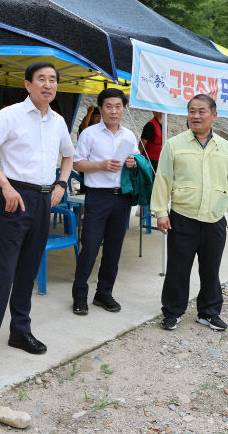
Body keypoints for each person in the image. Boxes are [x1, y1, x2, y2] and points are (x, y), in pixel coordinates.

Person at [0, 61, 74, 373]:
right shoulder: (10, 115)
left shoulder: (58, 121)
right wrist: (4, 185)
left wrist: (61, 183)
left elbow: (68, 155)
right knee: (4, 272)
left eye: (53, 80)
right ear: (28, 85)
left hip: (45, 199)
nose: (48, 85)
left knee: (29, 268)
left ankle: (19, 330)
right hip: (15, 196)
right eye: (41, 79)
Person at [150, 94, 228, 332]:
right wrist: (161, 211)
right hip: (183, 216)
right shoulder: (174, 145)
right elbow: (162, 179)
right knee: (178, 269)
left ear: (214, 115)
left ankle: (209, 313)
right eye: (192, 111)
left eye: (201, 111)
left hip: (214, 219)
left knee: (211, 269)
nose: (196, 116)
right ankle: (172, 312)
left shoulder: (224, 148)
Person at [71, 88, 139, 315]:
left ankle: (104, 294)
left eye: (118, 106)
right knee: (89, 246)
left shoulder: (129, 136)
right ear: (100, 109)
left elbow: (137, 161)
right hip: (98, 196)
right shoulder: (89, 134)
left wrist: (133, 163)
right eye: (108, 106)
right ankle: (79, 296)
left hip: (122, 198)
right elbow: (77, 164)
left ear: (123, 109)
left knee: (114, 248)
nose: (113, 111)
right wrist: (101, 165)